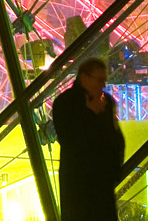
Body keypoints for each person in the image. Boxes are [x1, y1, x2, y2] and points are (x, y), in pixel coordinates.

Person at [52, 56, 126, 221]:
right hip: (82, 185)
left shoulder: (65, 102)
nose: (103, 85)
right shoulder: (66, 104)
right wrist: (91, 113)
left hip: (87, 183)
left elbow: (114, 139)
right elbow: (70, 140)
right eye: (99, 80)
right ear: (84, 78)